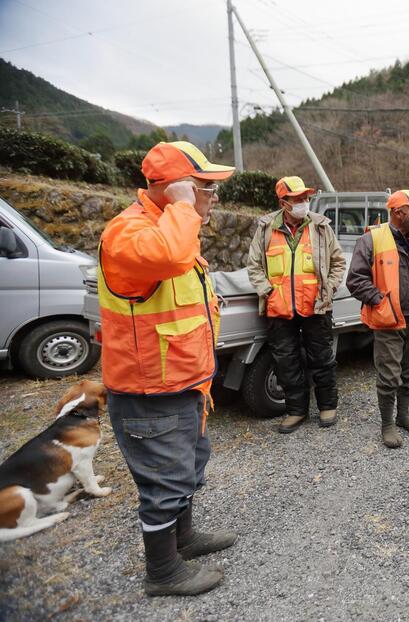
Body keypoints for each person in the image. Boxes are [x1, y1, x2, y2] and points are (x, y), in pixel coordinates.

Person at [98, 141, 238, 596]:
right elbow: (166, 257)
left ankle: (184, 540)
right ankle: (163, 573)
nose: (214, 196)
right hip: (149, 391)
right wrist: (183, 205)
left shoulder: (168, 229)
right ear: (175, 189)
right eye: (205, 187)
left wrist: (182, 207)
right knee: (164, 480)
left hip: (182, 383)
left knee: (186, 468)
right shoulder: (131, 234)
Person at [246, 176, 345, 433]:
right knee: (285, 362)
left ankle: (327, 406)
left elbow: (338, 262)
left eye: (306, 198)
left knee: (322, 358)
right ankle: (296, 411)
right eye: (298, 199)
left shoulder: (321, 227)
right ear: (283, 202)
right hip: (279, 309)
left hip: (316, 307)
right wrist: (267, 292)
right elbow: (254, 265)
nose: (304, 202)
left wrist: (329, 288)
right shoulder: (266, 228)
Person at [346, 190, 409, 449]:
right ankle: (387, 424)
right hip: (388, 321)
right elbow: (355, 280)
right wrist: (380, 301)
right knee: (389, 375)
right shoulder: (372, 239)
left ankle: (403, 416)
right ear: (399, 213)